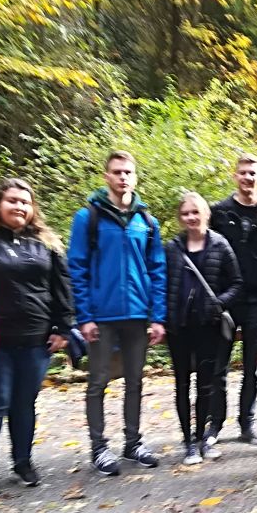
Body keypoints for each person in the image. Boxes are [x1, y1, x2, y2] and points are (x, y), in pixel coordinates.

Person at [0, 178, 74, 495]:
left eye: (25, 202)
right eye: (12, 200)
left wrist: (63, 328)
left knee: (25, 403)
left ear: (33, 208)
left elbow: (62, 287)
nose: (19, 206)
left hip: (36, 340)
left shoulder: (47, 243)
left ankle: (23, 461)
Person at [68, 150, 166, 477]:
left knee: (135, 381)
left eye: (128, 172)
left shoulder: (146, 221)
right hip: (101, 315)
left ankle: (133, 443)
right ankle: (99, 447)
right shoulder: (88, 218)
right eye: (117, 171)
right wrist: (85, 317)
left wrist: (157, 316)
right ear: (106, 176)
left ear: (135, 177)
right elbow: (77, 268)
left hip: (137, 315)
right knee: (98, 382)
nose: (123, 177)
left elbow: (157, 270)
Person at [209, 154, 257, 444]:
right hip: (226, 300)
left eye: (253, 173)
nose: (248, 178)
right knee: (218, 367)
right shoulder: (218, 213)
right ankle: (215, 424)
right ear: (235, 176)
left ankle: (247, 424)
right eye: (243, 172)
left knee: (251, 368)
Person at [165, 192, 243, 463]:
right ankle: (187, 441)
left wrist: (219, 303)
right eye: (185, 213)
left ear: (205, 214)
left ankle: (202, 438)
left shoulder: (220, 245)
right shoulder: (172, 248)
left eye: (195, 212)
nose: (191, 218)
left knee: (206, 385)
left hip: (208, 326)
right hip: (179, 327)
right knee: (182, 384)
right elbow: (162, 285)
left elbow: (237, 283)